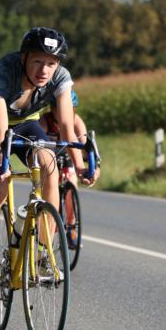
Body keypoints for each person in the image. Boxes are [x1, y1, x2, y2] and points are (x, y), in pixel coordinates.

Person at [0, 27, 99, 294]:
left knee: (50, 166)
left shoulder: (61, 78)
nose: (44, 70)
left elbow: (66, 126)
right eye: (37, 61)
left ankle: (42, 254)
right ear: (24, 57)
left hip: (27, 125)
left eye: (51, 63)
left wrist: (80, 165)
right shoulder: (5, 72)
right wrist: (1, 163)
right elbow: (0, 127)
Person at [40, 90, 100, 246]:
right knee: (49, 185)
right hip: (50, 157)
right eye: (58, 108)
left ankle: (71, 226)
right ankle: (49, 223)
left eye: (69, 109)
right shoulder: (45, 120)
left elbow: (87, 147)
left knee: (72, 182)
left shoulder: (77, 122)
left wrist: (94, 166)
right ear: (52, 109)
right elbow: (38, 146)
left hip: (69, 157)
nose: (63, 112)